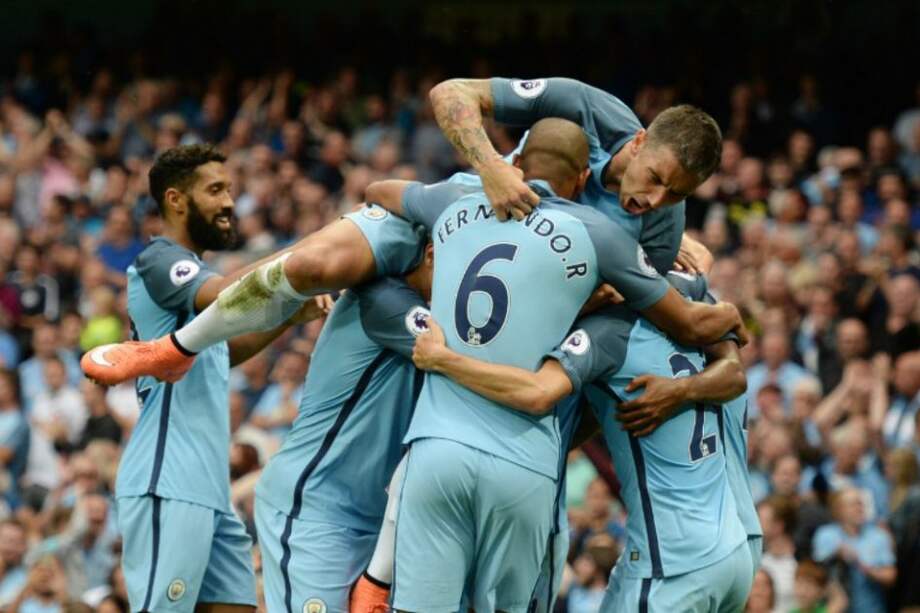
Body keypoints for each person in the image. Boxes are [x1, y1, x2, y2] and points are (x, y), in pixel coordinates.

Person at [363, 118, 745, 612]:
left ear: (515, 165)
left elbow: (378, 190)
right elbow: (690, 323)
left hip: (438, 446)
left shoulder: (454, 203)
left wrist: (442, 357)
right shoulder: (601, 236)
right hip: (527, 462)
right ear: (584, 180)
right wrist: (727, 307)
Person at [410, 270, 752, 611]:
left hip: (672, 564)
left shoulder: (605, 333)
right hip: (733, 550)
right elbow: (735, 371)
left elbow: (538, 392)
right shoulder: (694, 308)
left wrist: (444, 359)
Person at [99, 144, 328, 613]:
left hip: (210, 488)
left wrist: (286, 318)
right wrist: (312, 248)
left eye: (230, 190)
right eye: (216, 189)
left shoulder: (193, 276)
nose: (229, 202)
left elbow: (220, 349)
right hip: (167, 479)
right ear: (176, 200)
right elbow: (226, 295)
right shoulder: (158, 259)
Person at [255, 242, 433, 613]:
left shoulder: (434, 307)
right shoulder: (381, 297)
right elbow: (460, 355)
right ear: (431, 252)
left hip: (378, 517)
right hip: (315, 508)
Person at [427, 77, 720, 274]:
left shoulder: (663, 226)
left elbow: (638, 301)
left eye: (676, 194)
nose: (657, 201)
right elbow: (450, 93)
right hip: (468, 211)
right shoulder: (584, 107)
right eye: (655, 178)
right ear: (639, 142)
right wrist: (490, 168)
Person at [812, 487, 896, 613]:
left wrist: (864, 567)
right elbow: (815, 572)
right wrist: (836, 555)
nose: (859, 509)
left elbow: (891, 576)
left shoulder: (878, 536)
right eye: (853, 505)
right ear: (838, 510)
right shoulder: (825, 535)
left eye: (861, 503)